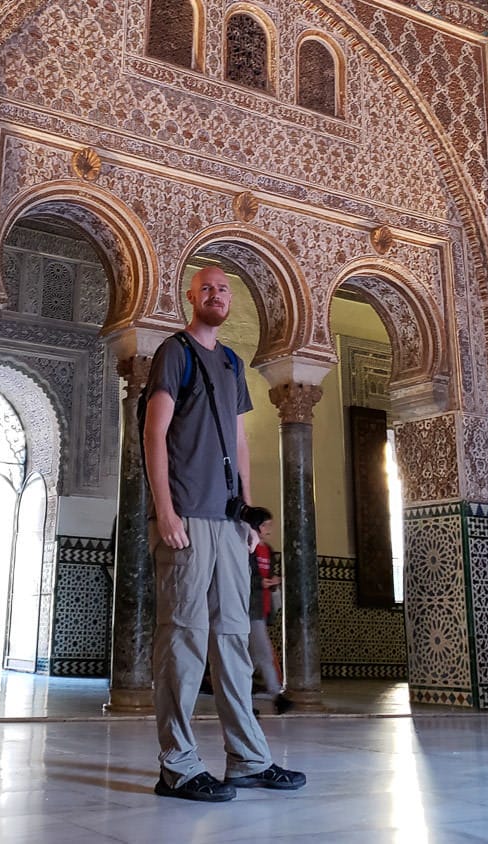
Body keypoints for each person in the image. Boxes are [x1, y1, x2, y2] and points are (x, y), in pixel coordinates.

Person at [142, 265, 306, 802]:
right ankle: (179, 765)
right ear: (191, 297)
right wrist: (165, 510)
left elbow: (238, 440)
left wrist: (248, 518)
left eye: (223, 290)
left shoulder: (233, 362)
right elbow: (155, 432)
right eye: (207, 288)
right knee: (185, 639)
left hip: (228, 523)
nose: (216, 295)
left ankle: (249, 759)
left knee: (234, 640)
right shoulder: (175, 353)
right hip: (187, 520)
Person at [245, 507, 294, 715]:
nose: (268, 530)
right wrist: (259, 582)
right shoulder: (249, 549)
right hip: (249, 609)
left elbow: (269, 575)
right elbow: (244, 576)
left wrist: (274, 582)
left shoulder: (269, 551)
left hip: (263, 608)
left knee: (251, 658)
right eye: (265, 525)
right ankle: (277, 696)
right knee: (263, 653)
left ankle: (243, 700)